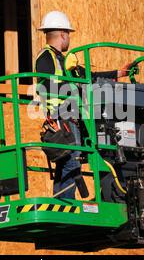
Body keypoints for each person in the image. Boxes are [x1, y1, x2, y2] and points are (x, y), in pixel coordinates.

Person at [34, 11, 132, 199]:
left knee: (70, 158)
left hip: (70, 116)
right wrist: (74, 87)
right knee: (71, 158)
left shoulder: (65, 60)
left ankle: (63, 202)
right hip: (60, 116)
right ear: (63, 34)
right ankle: (65, 203)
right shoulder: (46, 57)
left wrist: (118, 73)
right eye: (68, 34)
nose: (69, 38)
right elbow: (44, 86)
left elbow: (89, 78)